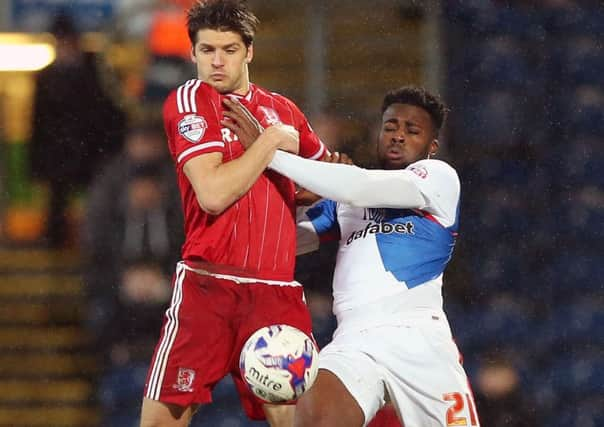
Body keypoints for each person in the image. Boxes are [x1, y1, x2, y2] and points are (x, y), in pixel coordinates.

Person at [224, 85, 479, 427]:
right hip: (353, 340)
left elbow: (357, 186)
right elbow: (278, 242)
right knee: (312, 419)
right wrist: (298, 199)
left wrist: (269, 152)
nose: (398, 136)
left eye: (412, 131)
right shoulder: (343, 200)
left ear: (432, 147)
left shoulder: (439, 179)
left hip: (416, 338)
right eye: (390, 127)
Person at [139, 1, 327, 426]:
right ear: (192, 54)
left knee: (302, 422)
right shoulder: (190, 101)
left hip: (276, 292)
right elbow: (213, 194)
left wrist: (315, 174)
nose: (217, 61)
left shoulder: (284, 108)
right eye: (207, 50)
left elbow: (321, 181)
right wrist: (271, 141)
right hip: (210, 288)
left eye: (228, 49)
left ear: (250, 52)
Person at [30, 12, 125, 247]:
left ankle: (93, 243)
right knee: (59, 202)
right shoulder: (50, 76)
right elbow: (39, 122)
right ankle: (58, 244)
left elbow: (108, 114)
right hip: (66, 153)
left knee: (97, 201)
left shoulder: (93, 71)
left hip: (89, 151)